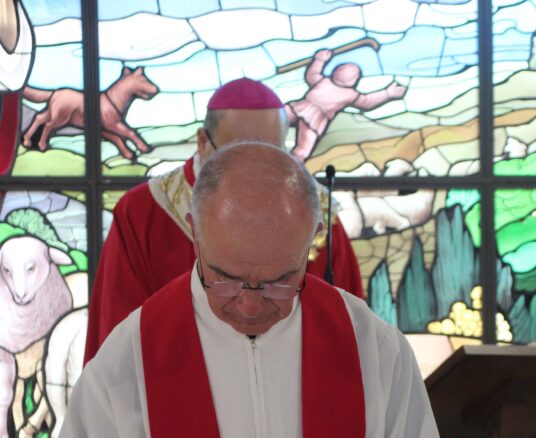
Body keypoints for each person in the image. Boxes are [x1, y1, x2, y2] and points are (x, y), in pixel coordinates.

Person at [38, 141, 456, 438]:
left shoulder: (372, 349)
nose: (252, 304)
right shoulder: (128, 359)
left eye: (280, 280)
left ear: (314, 237)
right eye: (226, 278)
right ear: (194, 232)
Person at [84, 77, 364, 364]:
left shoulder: (315, 212)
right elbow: (118, 337)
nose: (255, 173)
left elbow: (348, 329)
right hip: (180, 378)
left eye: (272, 154)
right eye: (236, 155)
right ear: (202, 142)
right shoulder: (146, 211)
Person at [285, 50, 406, 162]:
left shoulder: (331, 85)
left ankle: (289, 166)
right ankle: (292, 163)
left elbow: (312, 74)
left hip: (303, 110)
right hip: (309, 116)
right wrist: (387, 93)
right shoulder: (345, 91)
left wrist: (319, 60)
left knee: (284, 124)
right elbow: (367, 101)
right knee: (302, 149)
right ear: (353, 80)